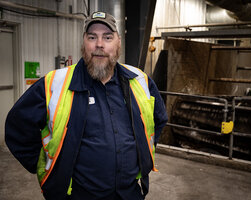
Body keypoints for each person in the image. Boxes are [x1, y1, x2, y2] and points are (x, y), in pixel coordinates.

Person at [5, 11, 168, 200]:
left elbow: (158, 119)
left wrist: (141, 154)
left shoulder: (140, 80)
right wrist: (47, 167)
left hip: (129, 193)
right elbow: (17, 127)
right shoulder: (55, 83)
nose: (100, 44)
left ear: (118, 43)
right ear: (84, 43)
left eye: (107, 37)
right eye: (92, 37)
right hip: (78, 195)